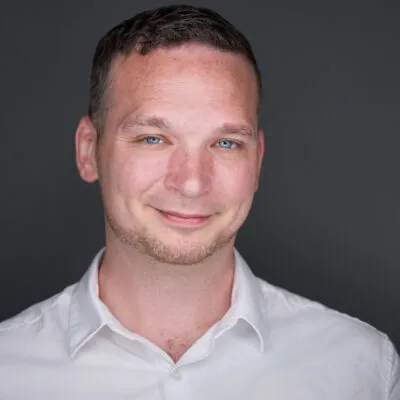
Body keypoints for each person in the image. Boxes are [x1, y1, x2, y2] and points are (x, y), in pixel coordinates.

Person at [0, 4, 398, 399]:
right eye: (153, 139)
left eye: (226, 143)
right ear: (89, 151)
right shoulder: (9, 369)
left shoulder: (362, 367)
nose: (192, 183)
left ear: (256, 162)